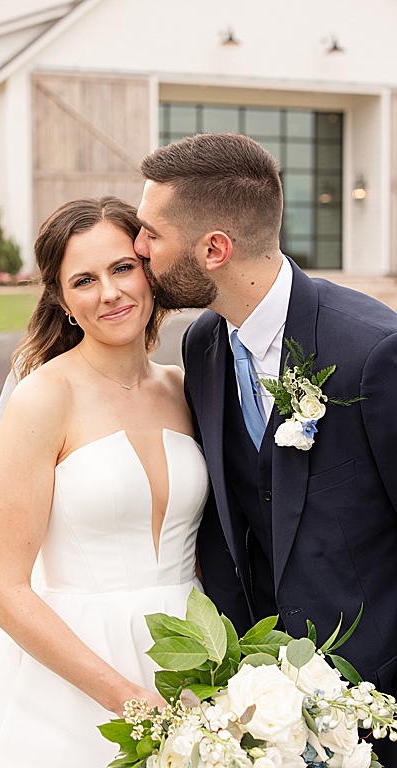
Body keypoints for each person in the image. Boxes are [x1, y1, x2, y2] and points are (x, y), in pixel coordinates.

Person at [0, 197, 209, 766]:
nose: (109, 292)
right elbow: (3, 590)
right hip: (75, 674)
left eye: (122, 268)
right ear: (63, 300)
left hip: (194, 653)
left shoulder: (187, 389)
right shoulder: (43, 398)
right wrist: (130, 700)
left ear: (148, 271)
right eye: (84, 279)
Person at [135, 132, 397, 767]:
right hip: (256, 706)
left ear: (214, 250)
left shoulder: (375, 352)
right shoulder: (201, 345)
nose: (137, 249)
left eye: (151, 235)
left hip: (375, 702)